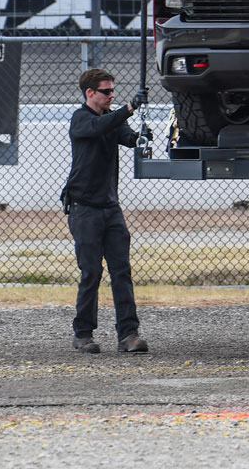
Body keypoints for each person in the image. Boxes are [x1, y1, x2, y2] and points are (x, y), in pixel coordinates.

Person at [62, 68, 149, 355]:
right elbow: (99, 127)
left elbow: (126, 136)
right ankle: (83, 334)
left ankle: (128, 335)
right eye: (106, 91)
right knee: (91, 272)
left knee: (121, 271)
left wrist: (142, 138)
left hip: (110, 208)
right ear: (90, 93)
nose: (111, 95)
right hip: (84, 209)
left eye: (113, 91)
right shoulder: (81, 119)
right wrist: (128, 108)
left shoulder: (111, 120)